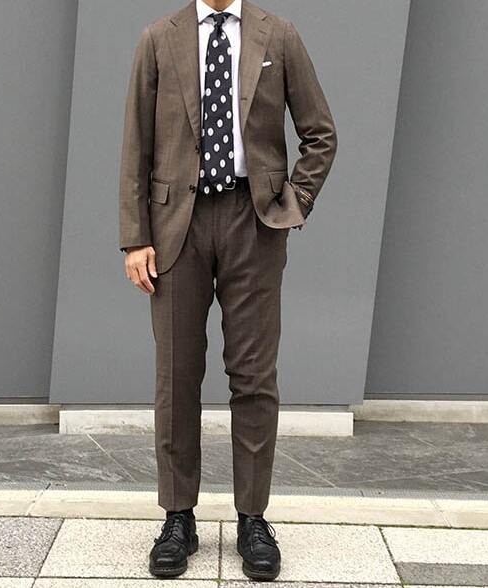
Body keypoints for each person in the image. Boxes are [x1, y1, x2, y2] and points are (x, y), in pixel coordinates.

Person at [119, 0, 337, 580]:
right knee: (176, 376)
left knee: (254, 377)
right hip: (175, 226)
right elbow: (136, 145)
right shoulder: (158, 39)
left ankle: (252, 519)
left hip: (253, 222)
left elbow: (320, 133)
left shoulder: (279, 36)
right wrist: (135, 238)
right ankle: (178, 518)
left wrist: (295, 201)